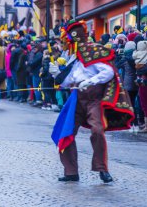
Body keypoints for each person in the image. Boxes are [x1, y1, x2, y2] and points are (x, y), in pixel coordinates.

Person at [49, 21, 134, 183]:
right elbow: (70, 81)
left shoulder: (94, 51)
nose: (66, 46)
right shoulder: (74, 58)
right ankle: (71, 171)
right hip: (76, 98)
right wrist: (57, 75)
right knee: (65, 132)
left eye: (68, 42)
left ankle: (102, 169)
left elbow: (108, 72)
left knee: (97, 130)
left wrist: (91, 81)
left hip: (94, 99)